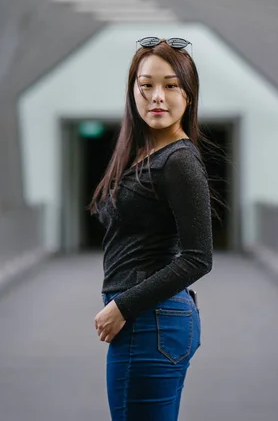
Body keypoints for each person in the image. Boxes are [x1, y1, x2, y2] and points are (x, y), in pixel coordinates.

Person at [89, 36, 214, 421]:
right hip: (153, 319)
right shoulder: (144, 154)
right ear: (133, 92)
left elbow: (198, 258)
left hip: (149, 319)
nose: (157, 96)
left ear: (188, 96)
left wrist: (122, 306)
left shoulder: (179, 160)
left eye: (171, 85)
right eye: (147, 85)